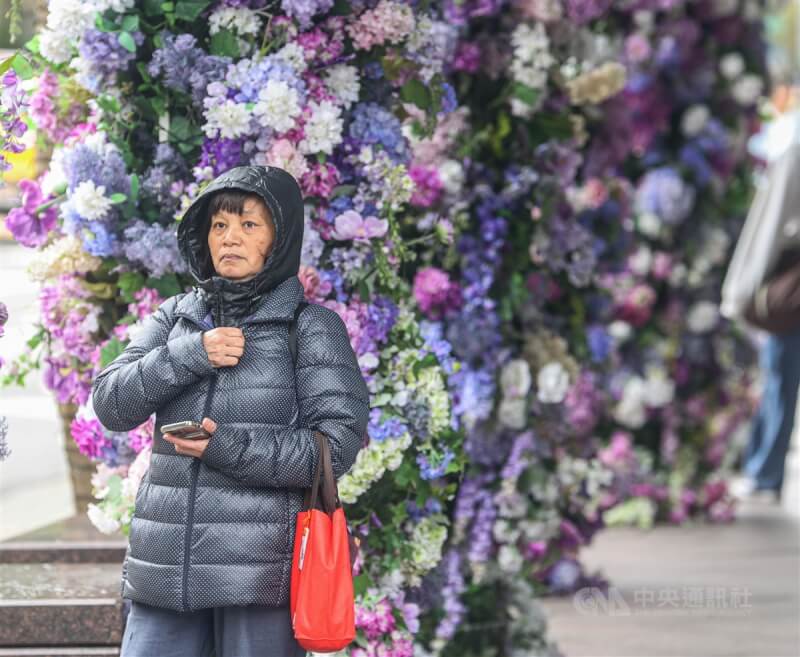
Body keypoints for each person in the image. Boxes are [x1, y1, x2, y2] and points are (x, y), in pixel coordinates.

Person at [92, 165, 370, 657]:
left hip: (258, 576)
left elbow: (335, 448)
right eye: (220, 225)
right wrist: (190, 354)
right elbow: (111, 403)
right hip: (164, 572)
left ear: (278, 240)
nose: (230, 238)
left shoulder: (309, 328)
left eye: (249, 225)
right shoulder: (176, 317)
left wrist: (224, 448)